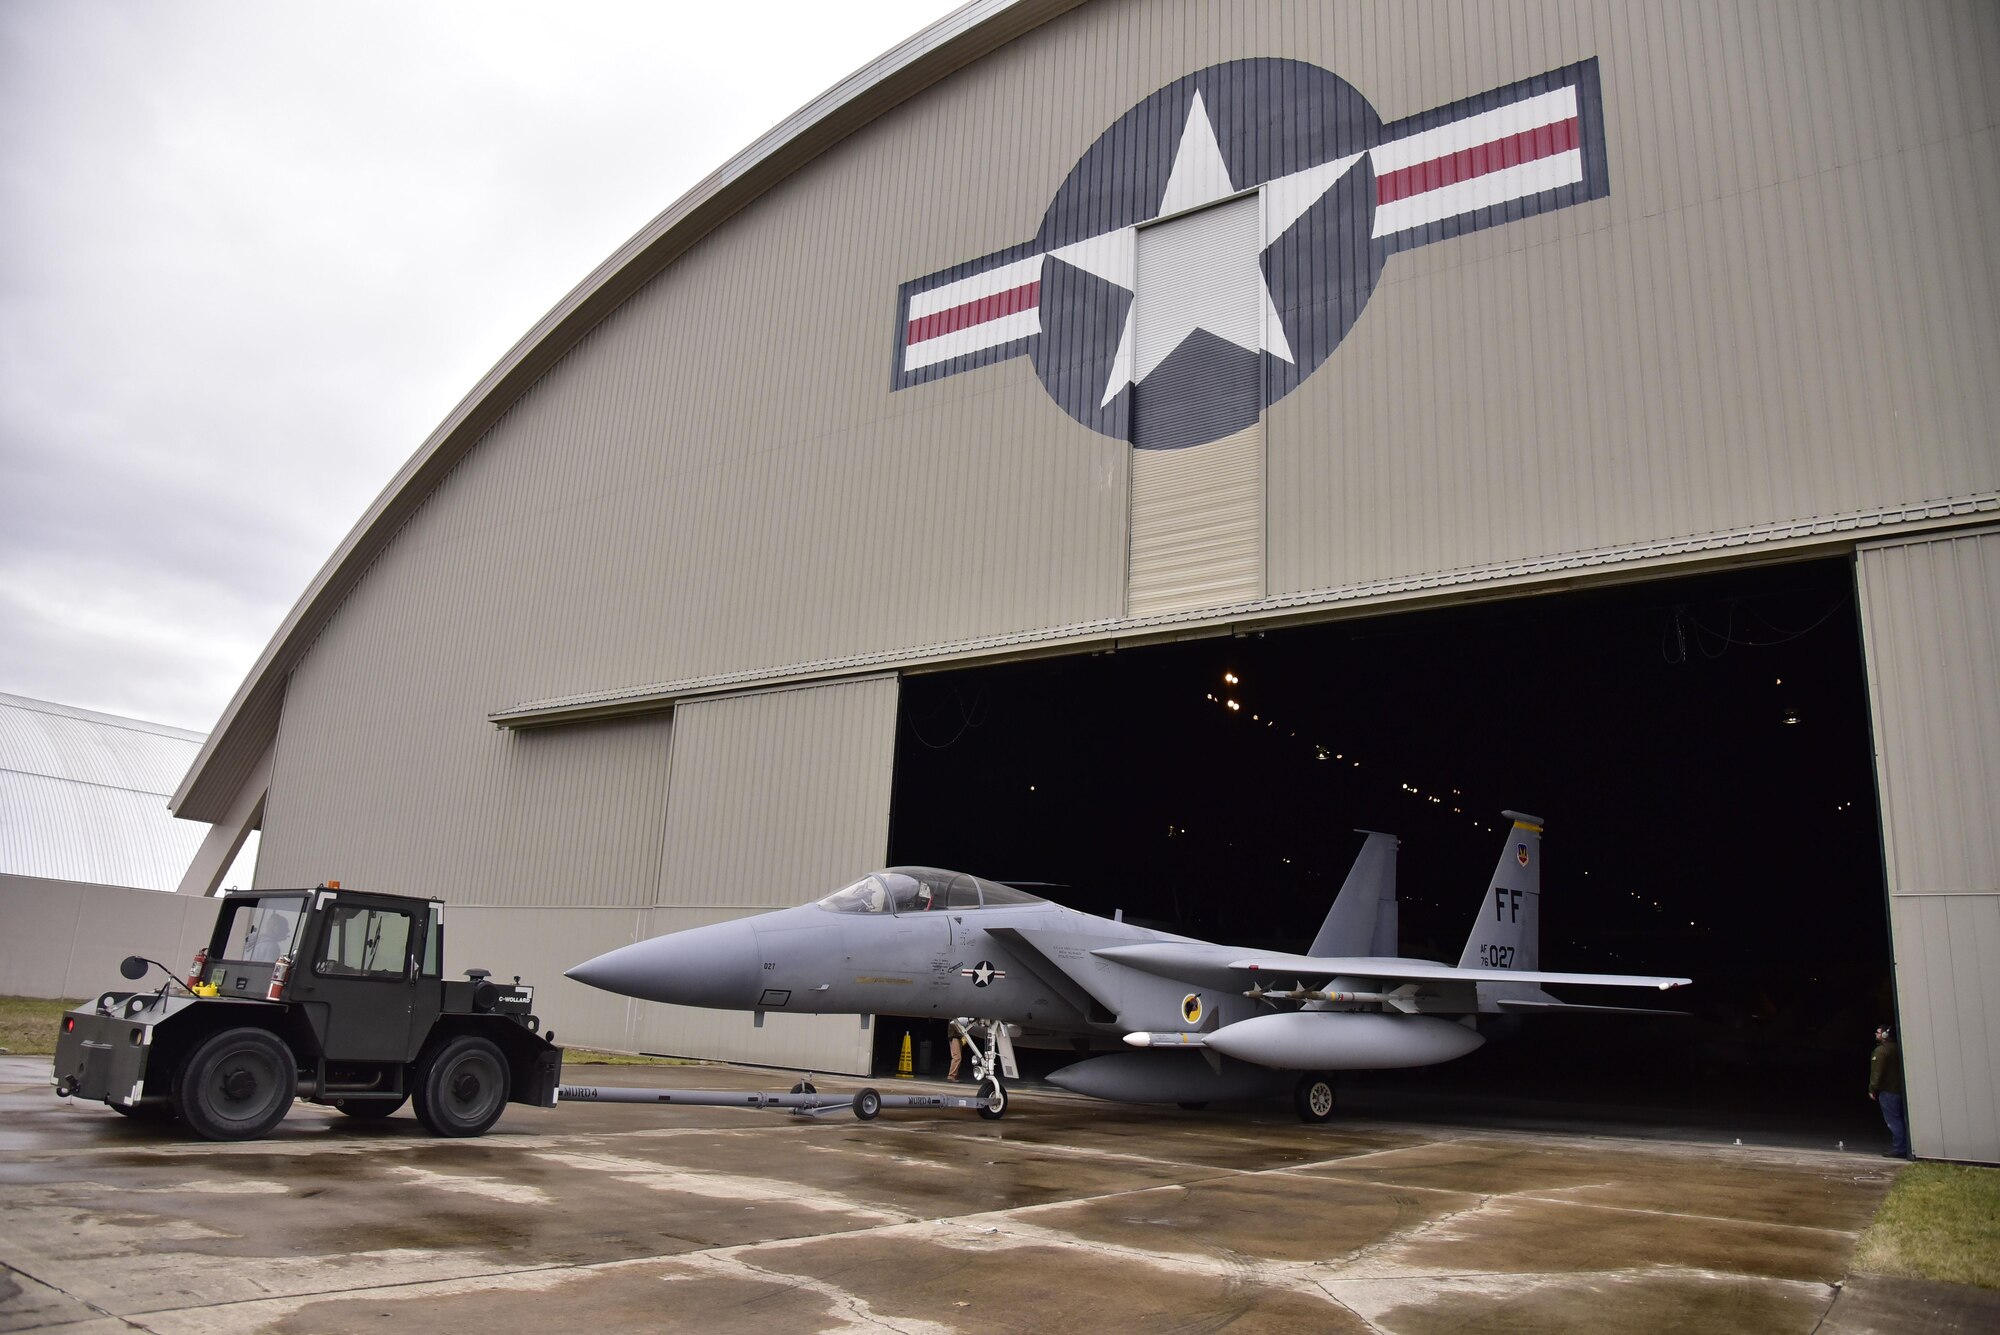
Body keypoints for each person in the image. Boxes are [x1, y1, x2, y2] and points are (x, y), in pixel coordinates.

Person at [1869, 1023, 1910, 1159]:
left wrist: (1872, 1088)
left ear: (1885, 1035)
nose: (1876, 1034)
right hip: (1900, 1091)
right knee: (1902, 1119)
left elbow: (1877, 1073)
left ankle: (1900, 1148)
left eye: (1878, 1032)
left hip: (1888, 1092)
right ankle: (1905, 1146)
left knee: (1893, 1120)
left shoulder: (1881, 1051)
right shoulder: (1899, 1048)